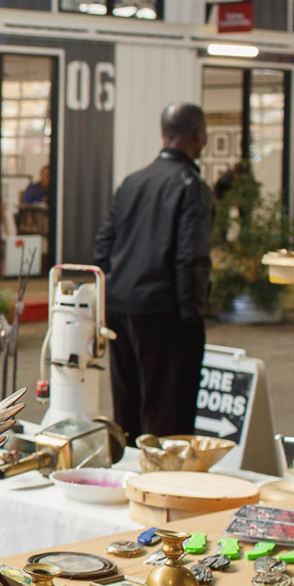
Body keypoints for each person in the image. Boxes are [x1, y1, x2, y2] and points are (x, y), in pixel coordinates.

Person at [93, 102, 213, 443]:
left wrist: (113, 293)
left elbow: (102, 248)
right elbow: (192, 259)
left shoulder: (132, 182)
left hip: (120, 309)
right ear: (197, 135)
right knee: (168, 413)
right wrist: (192, 316)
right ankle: (164, 486)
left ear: (164, 134)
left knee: (127, 409)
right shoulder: (192, 187)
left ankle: (129, 478)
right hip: (165, 312)